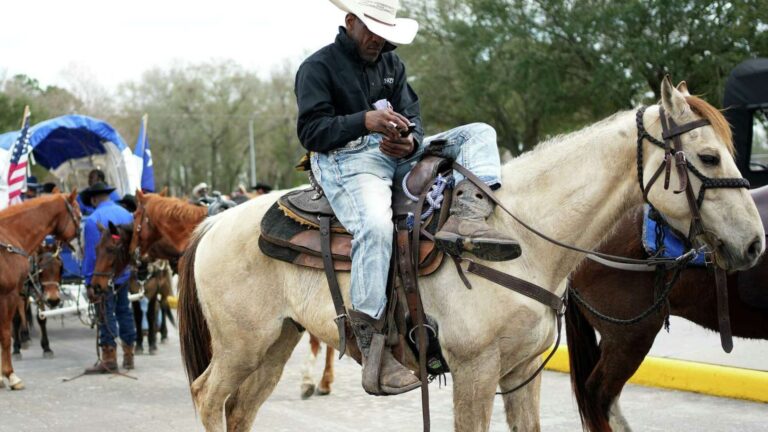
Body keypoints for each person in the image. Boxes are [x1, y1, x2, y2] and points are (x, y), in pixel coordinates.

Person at [295, 0, 520, 395]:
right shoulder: (317, 68)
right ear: (350, 22)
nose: (379, 39)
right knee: (377, 227)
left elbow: (413, 115)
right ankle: (371, 344)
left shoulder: (391, 65)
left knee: (478, 132)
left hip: (390, 154)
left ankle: (467, 218)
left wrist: (410, 140)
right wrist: (365, 121)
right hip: (345, 162)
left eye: (385, 31)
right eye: (372, 30)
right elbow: (312, 132)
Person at [80, 182, 137, 373]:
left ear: (95, 199)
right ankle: (129, 356)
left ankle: (109, 358)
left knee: (105, 313)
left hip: (103, 276)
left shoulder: (93, 220)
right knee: (124, 311)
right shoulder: (127, 215)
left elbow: (91, 255)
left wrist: (89, 281)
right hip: (123, 273)